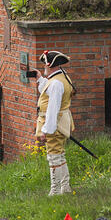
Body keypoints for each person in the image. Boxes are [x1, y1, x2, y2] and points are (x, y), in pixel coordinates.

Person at [35, 50, 76, 195]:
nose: (44, 68)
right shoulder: (61, 78)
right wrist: (40, 80)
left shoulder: (56, 83)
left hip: (55, 124)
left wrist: (46, 130)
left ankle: (56, 190)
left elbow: (53, 109)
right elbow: (48, 91)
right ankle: (65, 187)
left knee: (53, 157)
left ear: (49, 65)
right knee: (59, 155)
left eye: (44, 65)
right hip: (61, 122)